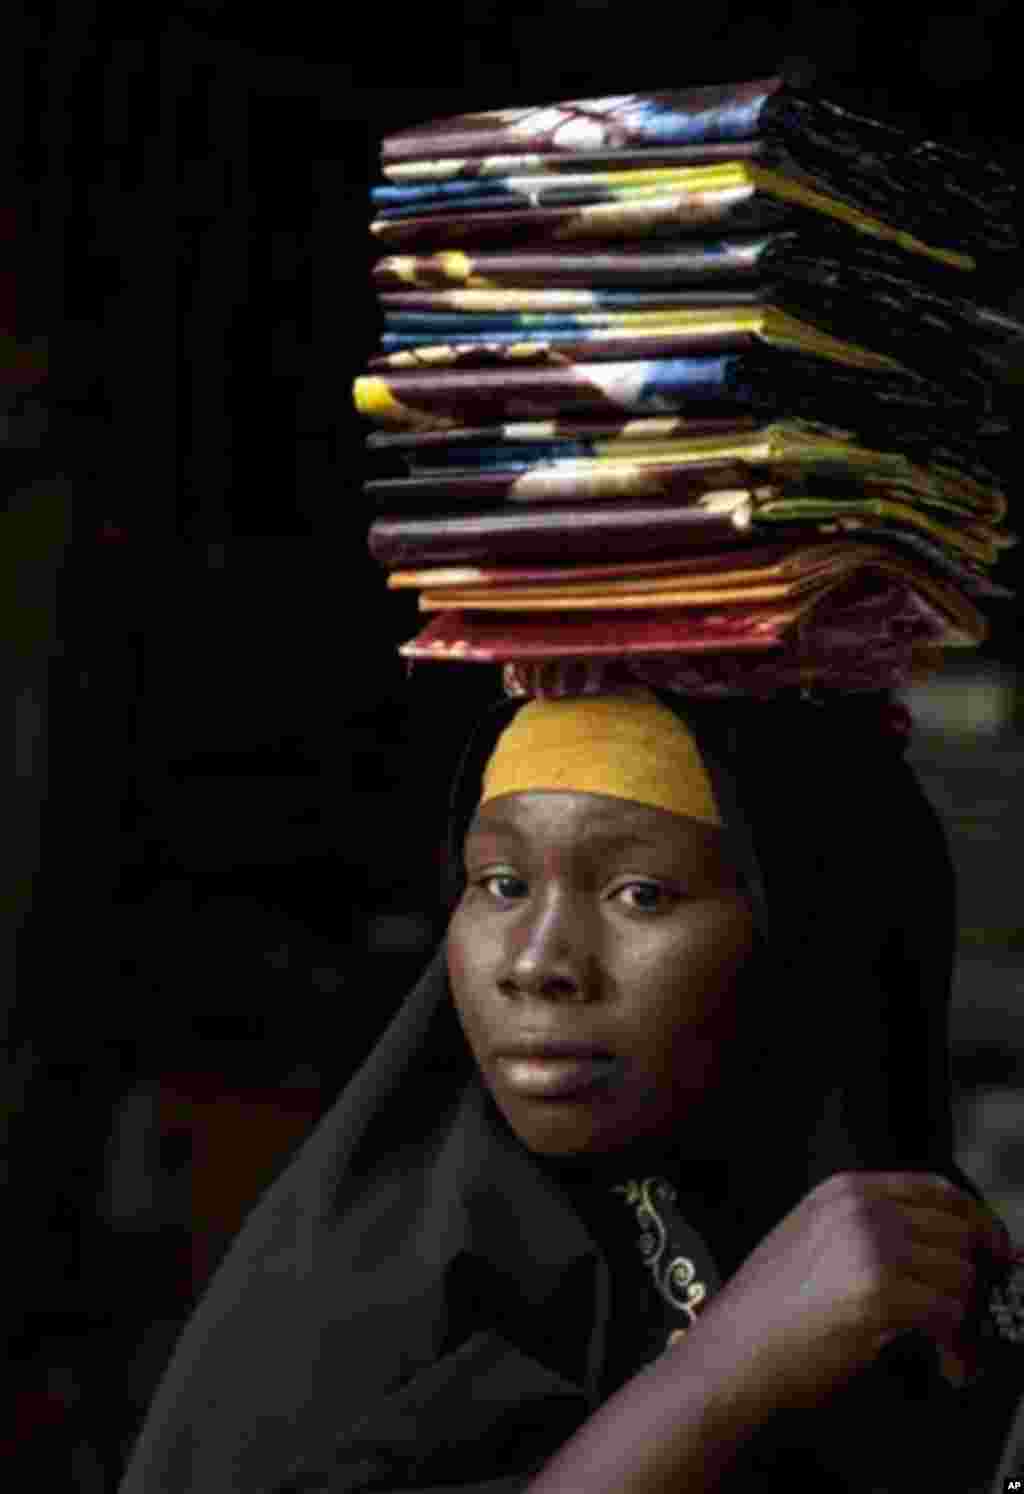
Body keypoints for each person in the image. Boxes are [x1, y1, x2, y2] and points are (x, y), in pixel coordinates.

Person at [117, 683, 1024, 1492]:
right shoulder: (356, 1314)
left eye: (640, 895)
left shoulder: (937, 1290)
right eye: (501, 884)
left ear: (813, 946)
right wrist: (724, 1369)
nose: (538, 963)